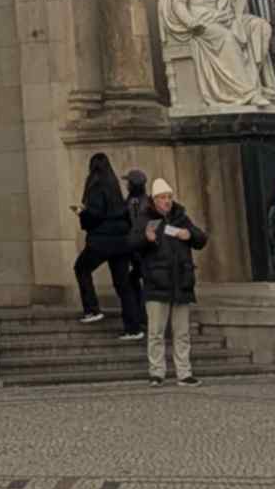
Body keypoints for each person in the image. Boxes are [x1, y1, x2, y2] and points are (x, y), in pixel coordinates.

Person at [136, 170, 207, 386]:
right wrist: (146, 239)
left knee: (182, 332)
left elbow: (201, 238)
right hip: (157, 282)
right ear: (154, 200)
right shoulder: (145, 218)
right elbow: (131, 243)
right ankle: (156, 372)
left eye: (169, 197)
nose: (167, 201)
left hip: (181, 282)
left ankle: (184, 372)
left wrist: (190, 234)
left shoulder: (181, 217)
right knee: (156, 332)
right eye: (162, 198)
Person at [73, 149, 134, 323]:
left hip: (101, 241)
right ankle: (134, 326)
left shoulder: (96, 186)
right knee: (123, 284)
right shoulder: (114, 187)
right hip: (120, 242)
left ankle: (92, 309)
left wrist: (82, 213)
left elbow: (95, 214)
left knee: (81, 269)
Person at [112, 166, 148, 340]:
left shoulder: (136, 203)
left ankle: (142, 317)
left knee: (137, 281)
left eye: (128, 182)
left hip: (139, 249)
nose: (126, 185)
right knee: (134, 280)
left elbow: (135, 225)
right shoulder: (141, 200)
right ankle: (141, 316)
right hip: (138, 249)